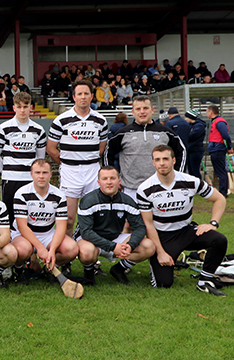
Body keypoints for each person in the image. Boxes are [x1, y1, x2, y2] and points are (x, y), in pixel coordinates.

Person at [138, 145, 228, 295]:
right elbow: (148, 224)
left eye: (165, 159)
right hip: (162, 237)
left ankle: (204, 280)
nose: (162, 163)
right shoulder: (145, 188)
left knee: (219, 240)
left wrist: (213, 223)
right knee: (163, 284)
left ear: (173, 160)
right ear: (153, 163)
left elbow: (219, 199)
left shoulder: (191, 181)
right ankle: (160, 260)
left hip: (186, 231)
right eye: (157, 160)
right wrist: (160, 252)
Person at [46, 80, 109, 235]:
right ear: (73, 97)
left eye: (86, 93)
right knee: (68, 218)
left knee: (94, 218)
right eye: (79, 94)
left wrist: (86, 160)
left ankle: (91, 256)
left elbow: (101, 149)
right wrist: (68, 163)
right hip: (70, 172)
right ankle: (65, 255)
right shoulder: (61, 120)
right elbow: (51, 149)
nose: (83, 97)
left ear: (92, 96)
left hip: (92, 171)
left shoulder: (100, 121)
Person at [75, 166, 155, 285]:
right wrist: (113, 247)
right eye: (105, 179)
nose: (109, 182)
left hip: (115, 237)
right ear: (98, 182)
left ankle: (119, 269)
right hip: (90, 240)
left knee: (149, 246)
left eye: (112, 178)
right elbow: (86, 232)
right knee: (87, 252)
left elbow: (139, 227)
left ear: (119, 181)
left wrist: (130, 245)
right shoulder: (88, 200)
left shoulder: (127, 200)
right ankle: (89, 273)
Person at [10, 159, 79, 285]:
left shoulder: (59, 195)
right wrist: (40, 248)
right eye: (37, 173)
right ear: (31, 174)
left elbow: (61, 227)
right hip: (23, 234)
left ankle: (49, 268)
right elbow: (22, 226)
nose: (41, 176)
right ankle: (19, 271)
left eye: (45, 173)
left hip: (47, 233)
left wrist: (51, 250)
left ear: (51, 174)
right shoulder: (21, 193)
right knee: (23, 250)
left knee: (72, 249)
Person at [105, 96, 186, 199]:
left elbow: (181, 151)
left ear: (152, 110)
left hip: (160, 188)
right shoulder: (122, 133)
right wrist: (113, 179)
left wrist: (177, 176)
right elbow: (108, 153)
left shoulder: (165, 132)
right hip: (131, 190)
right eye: (138, 109)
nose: (142, 112)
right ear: (133, 112)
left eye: (145, 108)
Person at [0, 92, 47, 236]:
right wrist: (6, 172)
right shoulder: (3, 128)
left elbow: (39, 159)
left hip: (30, 180)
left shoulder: (38, 130)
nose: (22, 110)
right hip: (10, 179)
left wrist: (35, 175)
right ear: (13, 107)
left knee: (30, 214)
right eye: (19, 106)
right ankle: (8, 247)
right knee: (9, 213)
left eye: (25, 107)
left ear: (31, 108)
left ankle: (30, 251)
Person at [206, 104, 232, 197]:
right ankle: (223, 190)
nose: (206, 114)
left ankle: (223, 191)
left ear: (211, 112)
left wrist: (229, 147)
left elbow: (225, 135)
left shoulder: (219, 122)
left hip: (218, 148)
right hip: (215, 148)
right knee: (219, 170)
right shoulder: (215, 121)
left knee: (221, 171)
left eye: (207, 112)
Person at [184, 109, 207, 179]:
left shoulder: (199, 126)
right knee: (190, 170)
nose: (185, 119)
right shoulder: (190, 125)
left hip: (196, 150)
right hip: (190, 150)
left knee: (195, 170)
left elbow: (191, 136)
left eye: (186, 117)